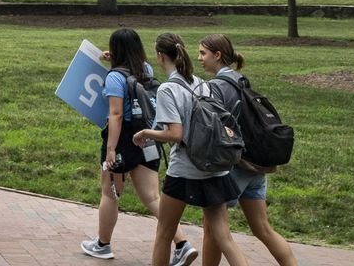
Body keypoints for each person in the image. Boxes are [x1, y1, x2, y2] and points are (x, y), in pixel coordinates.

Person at [132, 33, 239, 266]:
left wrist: (145, 133)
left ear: (160, 57)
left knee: (164, 233)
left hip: (184, 169)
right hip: (213, 166)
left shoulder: (167, 90)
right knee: (224, 237)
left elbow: (175, 134)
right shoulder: (201, 83)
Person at [198, 35, 293, 266]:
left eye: (203, 53)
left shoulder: (216, 87)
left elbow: (213, 129)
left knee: (213, 230)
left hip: (232, 167)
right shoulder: (240, 80)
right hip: (255, 165)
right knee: (263, 229)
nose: (199, 58)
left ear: (217, 55)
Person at [82, 28, 168, 260]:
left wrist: (110, 149)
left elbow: (116, 114)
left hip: (123, 140)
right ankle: (181, 244)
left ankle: (103, 244)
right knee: (152, 197)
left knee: (110, 194)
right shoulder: (147, 69)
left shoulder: (114, 77)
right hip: (148, 137)